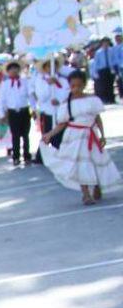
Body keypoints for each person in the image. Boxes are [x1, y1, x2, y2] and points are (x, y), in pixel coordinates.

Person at [41, 69, 121, 204]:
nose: (76, 89)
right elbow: (62, 124)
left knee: (94, 161)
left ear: (84, 85)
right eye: (73, 86)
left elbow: (97, 118)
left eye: (79, 86)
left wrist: (102, 135)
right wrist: (49, 134)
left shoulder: (92, 100)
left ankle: (96, 185)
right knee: (80, 164)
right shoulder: (67, 104)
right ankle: (85, 194)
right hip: (74, 137)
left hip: (90, 135)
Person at [32, 59, 69, 166]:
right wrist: (49, 85)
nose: (51, 69)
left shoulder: (63, 79)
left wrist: (60, 101)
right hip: (47, 111)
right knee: (47, 134)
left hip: (60, 112)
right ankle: (42, 156)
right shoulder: (41, 80)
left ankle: (60, 153)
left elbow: (67, 93)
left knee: (61, 134)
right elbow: (41, 97)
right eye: (48, 66)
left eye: (53, 66)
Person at [0, 61, 34, 166]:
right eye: (11, 69)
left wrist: (34, 109)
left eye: (15, 68)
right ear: (8, 72)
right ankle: (16, 157)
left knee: (26, 135)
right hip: (13, 112)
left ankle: (27, 156)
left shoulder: (25, 81)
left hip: (24, 110)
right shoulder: (5, 84)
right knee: (15, 135)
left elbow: (30, 96)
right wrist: (2, 114)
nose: (13, 71)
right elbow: (2, 100)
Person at [91, 38, 116, 104]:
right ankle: (105, 99)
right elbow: (96, 62)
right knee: (104, 85)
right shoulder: (98, 52)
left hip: (110, 69)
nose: (106, 44)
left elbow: (113, 59)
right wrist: (95, 72)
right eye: (104, 42)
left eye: (107, 42)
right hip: (102, 70)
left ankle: (111, 99)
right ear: (102, 43)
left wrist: (113, 68)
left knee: (110, 84)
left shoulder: (111, 50)